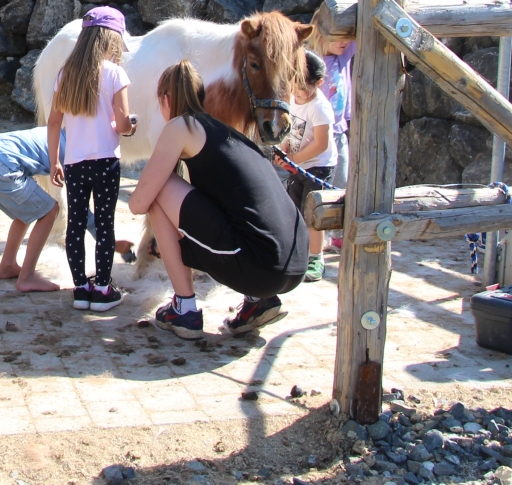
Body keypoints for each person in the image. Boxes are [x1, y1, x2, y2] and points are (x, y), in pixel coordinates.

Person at [130, 60, 308, 340]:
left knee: (159, 189)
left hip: (260, 267)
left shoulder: (181, 126)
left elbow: (138, 203)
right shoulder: (225, 133)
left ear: (165, 100)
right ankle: (258, 301)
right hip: (294, 263)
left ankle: (184, 309)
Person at [47, 6, 135, 312]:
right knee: (106, 225)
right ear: (111, 39)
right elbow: (122, 124)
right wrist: (127, 126)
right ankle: (103, 288)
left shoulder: (65, 75)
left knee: (76, 223)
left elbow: (54, 122)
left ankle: (80, 289)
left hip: (74, 162)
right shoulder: (115, 73)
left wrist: (53, 159)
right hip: (106, 161)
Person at [0, 128, 65, 292]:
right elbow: (81, 209)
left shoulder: (56, 133)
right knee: (50, 210)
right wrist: (110, 241)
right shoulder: (76, 152)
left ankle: (8, 265)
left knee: (26, 210)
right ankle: (27, 277)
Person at [276, 51, 336, 282]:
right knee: (294, 208)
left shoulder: (320, 108)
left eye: (302, 87)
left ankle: (315, 257)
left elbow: (321, 144)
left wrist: (296, 159)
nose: (297, 91)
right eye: (294, 84)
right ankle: (298, 252)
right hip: (298, 164)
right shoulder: (292, 100)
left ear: (318, 83)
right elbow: (290, 129)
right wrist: (283, 150)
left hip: (318, 167)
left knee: (313, 212)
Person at [312, 25, 356, 253]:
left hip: (338, 133)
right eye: (340, 37)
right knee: (314, 184)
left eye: (347, 38)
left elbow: (360, 35)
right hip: (313, 132)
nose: (345, 42)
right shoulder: (311, 60)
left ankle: (338, 235)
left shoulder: (343, 56)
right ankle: (313, 238)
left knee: (342, 183)